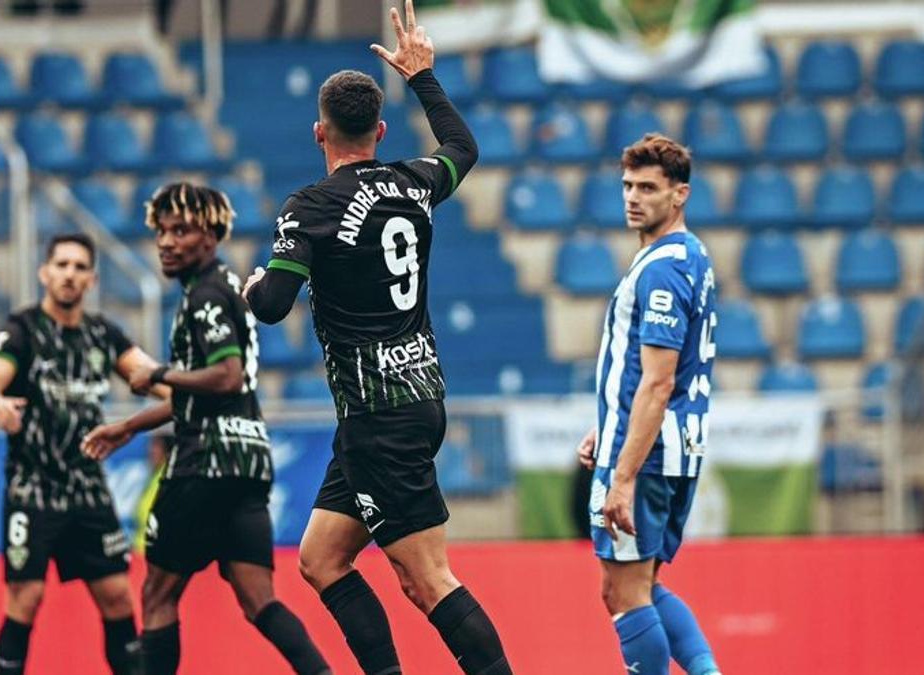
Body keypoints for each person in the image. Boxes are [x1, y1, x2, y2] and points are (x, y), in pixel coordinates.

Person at [242, 3, 510, 673]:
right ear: (382, 129)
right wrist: (423, 75)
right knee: (321, 558)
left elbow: (273, 304)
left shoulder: (312, 206)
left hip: (379, 414)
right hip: (410, 396)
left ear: (318, 131)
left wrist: (248, 286)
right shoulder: (413, 183)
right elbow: (463, 149)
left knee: (427, 579)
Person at [81, 182, 330, 675]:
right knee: (259, 600)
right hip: (249, 462)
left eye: (182, 230)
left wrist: (157, 374)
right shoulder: (221, 292)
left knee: (156, 594)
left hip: (205, 464)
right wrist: (131, 426)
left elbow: (226, 376)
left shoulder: (206, 297)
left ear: (211, 237)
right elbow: (208, 391)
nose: (167, 242)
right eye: (163, 231)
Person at [0, 232, 167, 675]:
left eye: (80, 267)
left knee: (117, 594)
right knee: (26, 598)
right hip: (32, 489)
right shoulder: (20, 330)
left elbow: (153, 376)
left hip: (87, 489)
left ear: (92, 279)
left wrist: (201, 387)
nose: (69, 274)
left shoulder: (103, 335)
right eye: (61, 265)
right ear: (45, 273)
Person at [574, 133, 721, 675]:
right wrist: (608, 425)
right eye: (628, 186)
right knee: (644, 583)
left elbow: (658, 383)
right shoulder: (692, 254)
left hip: (649, 456)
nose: (633, 197)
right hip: (671, 445)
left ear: (679, 194)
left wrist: (624, 475)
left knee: (623, 593)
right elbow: (655, 374)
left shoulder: (660, 268)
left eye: (649, 188)